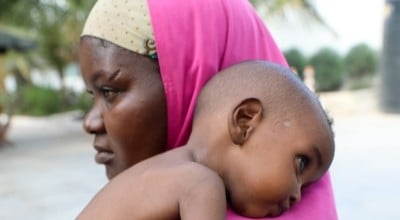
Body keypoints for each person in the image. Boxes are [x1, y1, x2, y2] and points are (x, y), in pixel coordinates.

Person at [79, 0, 338, 219]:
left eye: (110, 92)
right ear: (245, 119)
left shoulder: (145, 188)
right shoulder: (200, 186)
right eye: (301, 162)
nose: (297, 196)